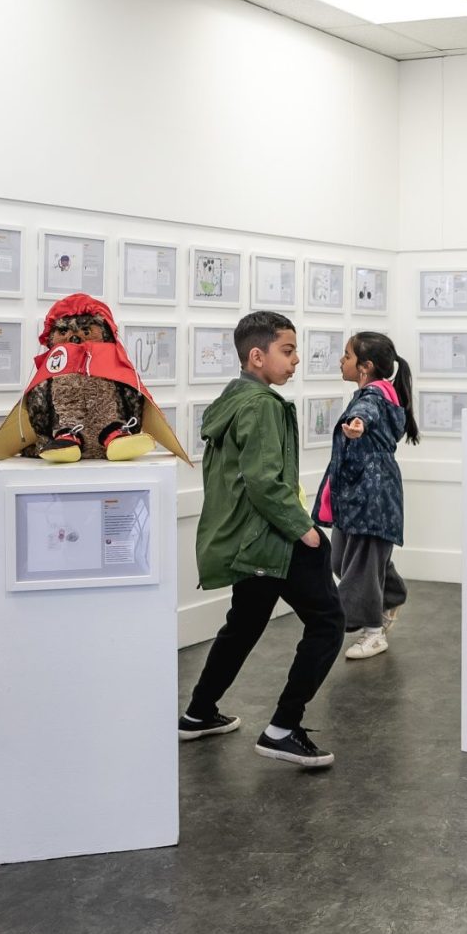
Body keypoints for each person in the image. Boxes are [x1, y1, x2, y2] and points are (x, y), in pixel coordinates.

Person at [180, 310, 341, 768]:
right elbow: (265, 483)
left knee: (245, 624)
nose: (294, 362)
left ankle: (197, 713)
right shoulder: (264, 406)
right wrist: (306, 531)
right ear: (257, 356)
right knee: (329, 622)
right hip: (271, 539)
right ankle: (282, 728)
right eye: (287, 351)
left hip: (244, 541)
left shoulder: (234, 398)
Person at [315, 331, 418, 660]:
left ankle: (374, 633)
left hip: (371, 497)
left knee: (360, 568)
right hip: (358, 494)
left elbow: (366, 415)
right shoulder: (379, 391)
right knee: (341, 560)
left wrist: (357, 424)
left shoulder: (372, 398)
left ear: (365, 366)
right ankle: (392, 594)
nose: (341, 361)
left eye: (346, 355)